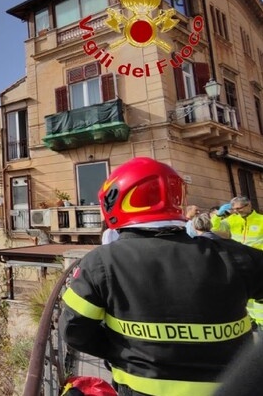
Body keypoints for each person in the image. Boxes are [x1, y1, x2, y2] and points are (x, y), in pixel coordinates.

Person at [60, 157, 263, 396]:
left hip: (140, 387)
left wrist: (119, 351)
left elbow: (74, 330)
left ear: (114, 201)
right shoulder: (233, 256)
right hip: (234, 386)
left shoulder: (101, 261)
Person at [226, 195, 263, 329]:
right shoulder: (232, 219)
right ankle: (250, 323)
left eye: (239, 208)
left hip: (258, 263)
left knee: (258, 295)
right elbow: (213, 227)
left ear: (248, 206)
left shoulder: (261, 220)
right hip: (240, 263)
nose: (237, 211)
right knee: (243, 295)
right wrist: (219, 215)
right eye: (234, 209)